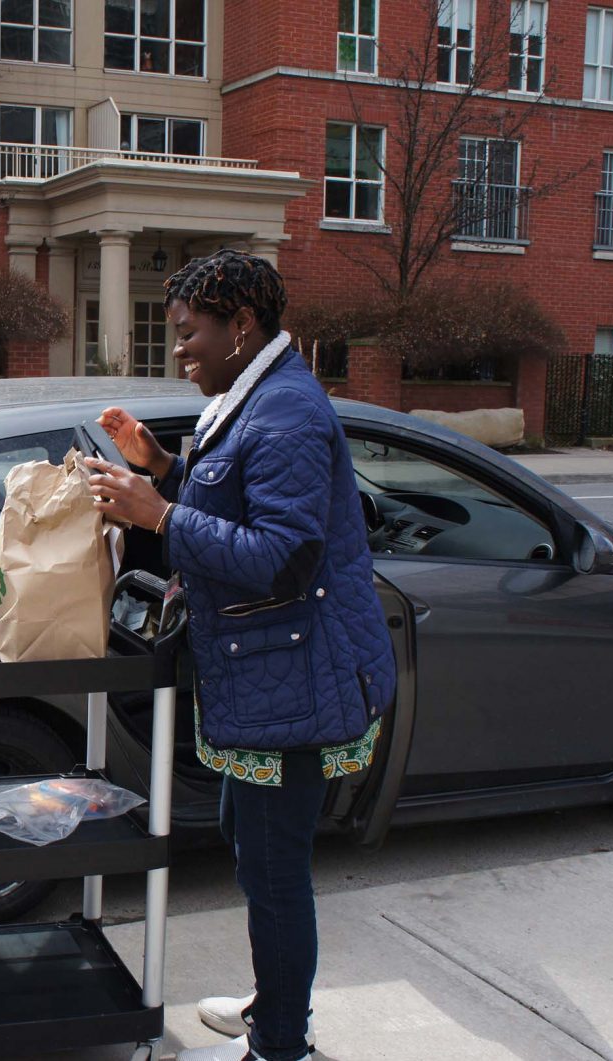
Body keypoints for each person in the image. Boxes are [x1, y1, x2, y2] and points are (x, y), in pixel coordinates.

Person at [88, 250, 395, 1061]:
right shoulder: (253, 393)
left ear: (242, 325)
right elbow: (236, 494)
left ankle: (279, 1044)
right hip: (267, 678)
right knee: (250, 837)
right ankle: (277, 1000)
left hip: (293, 683)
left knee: (273, 867)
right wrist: (163, 466)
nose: (178, 350)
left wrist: (158, 514)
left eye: (189, 335)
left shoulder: (287, 409)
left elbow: (284, 555)